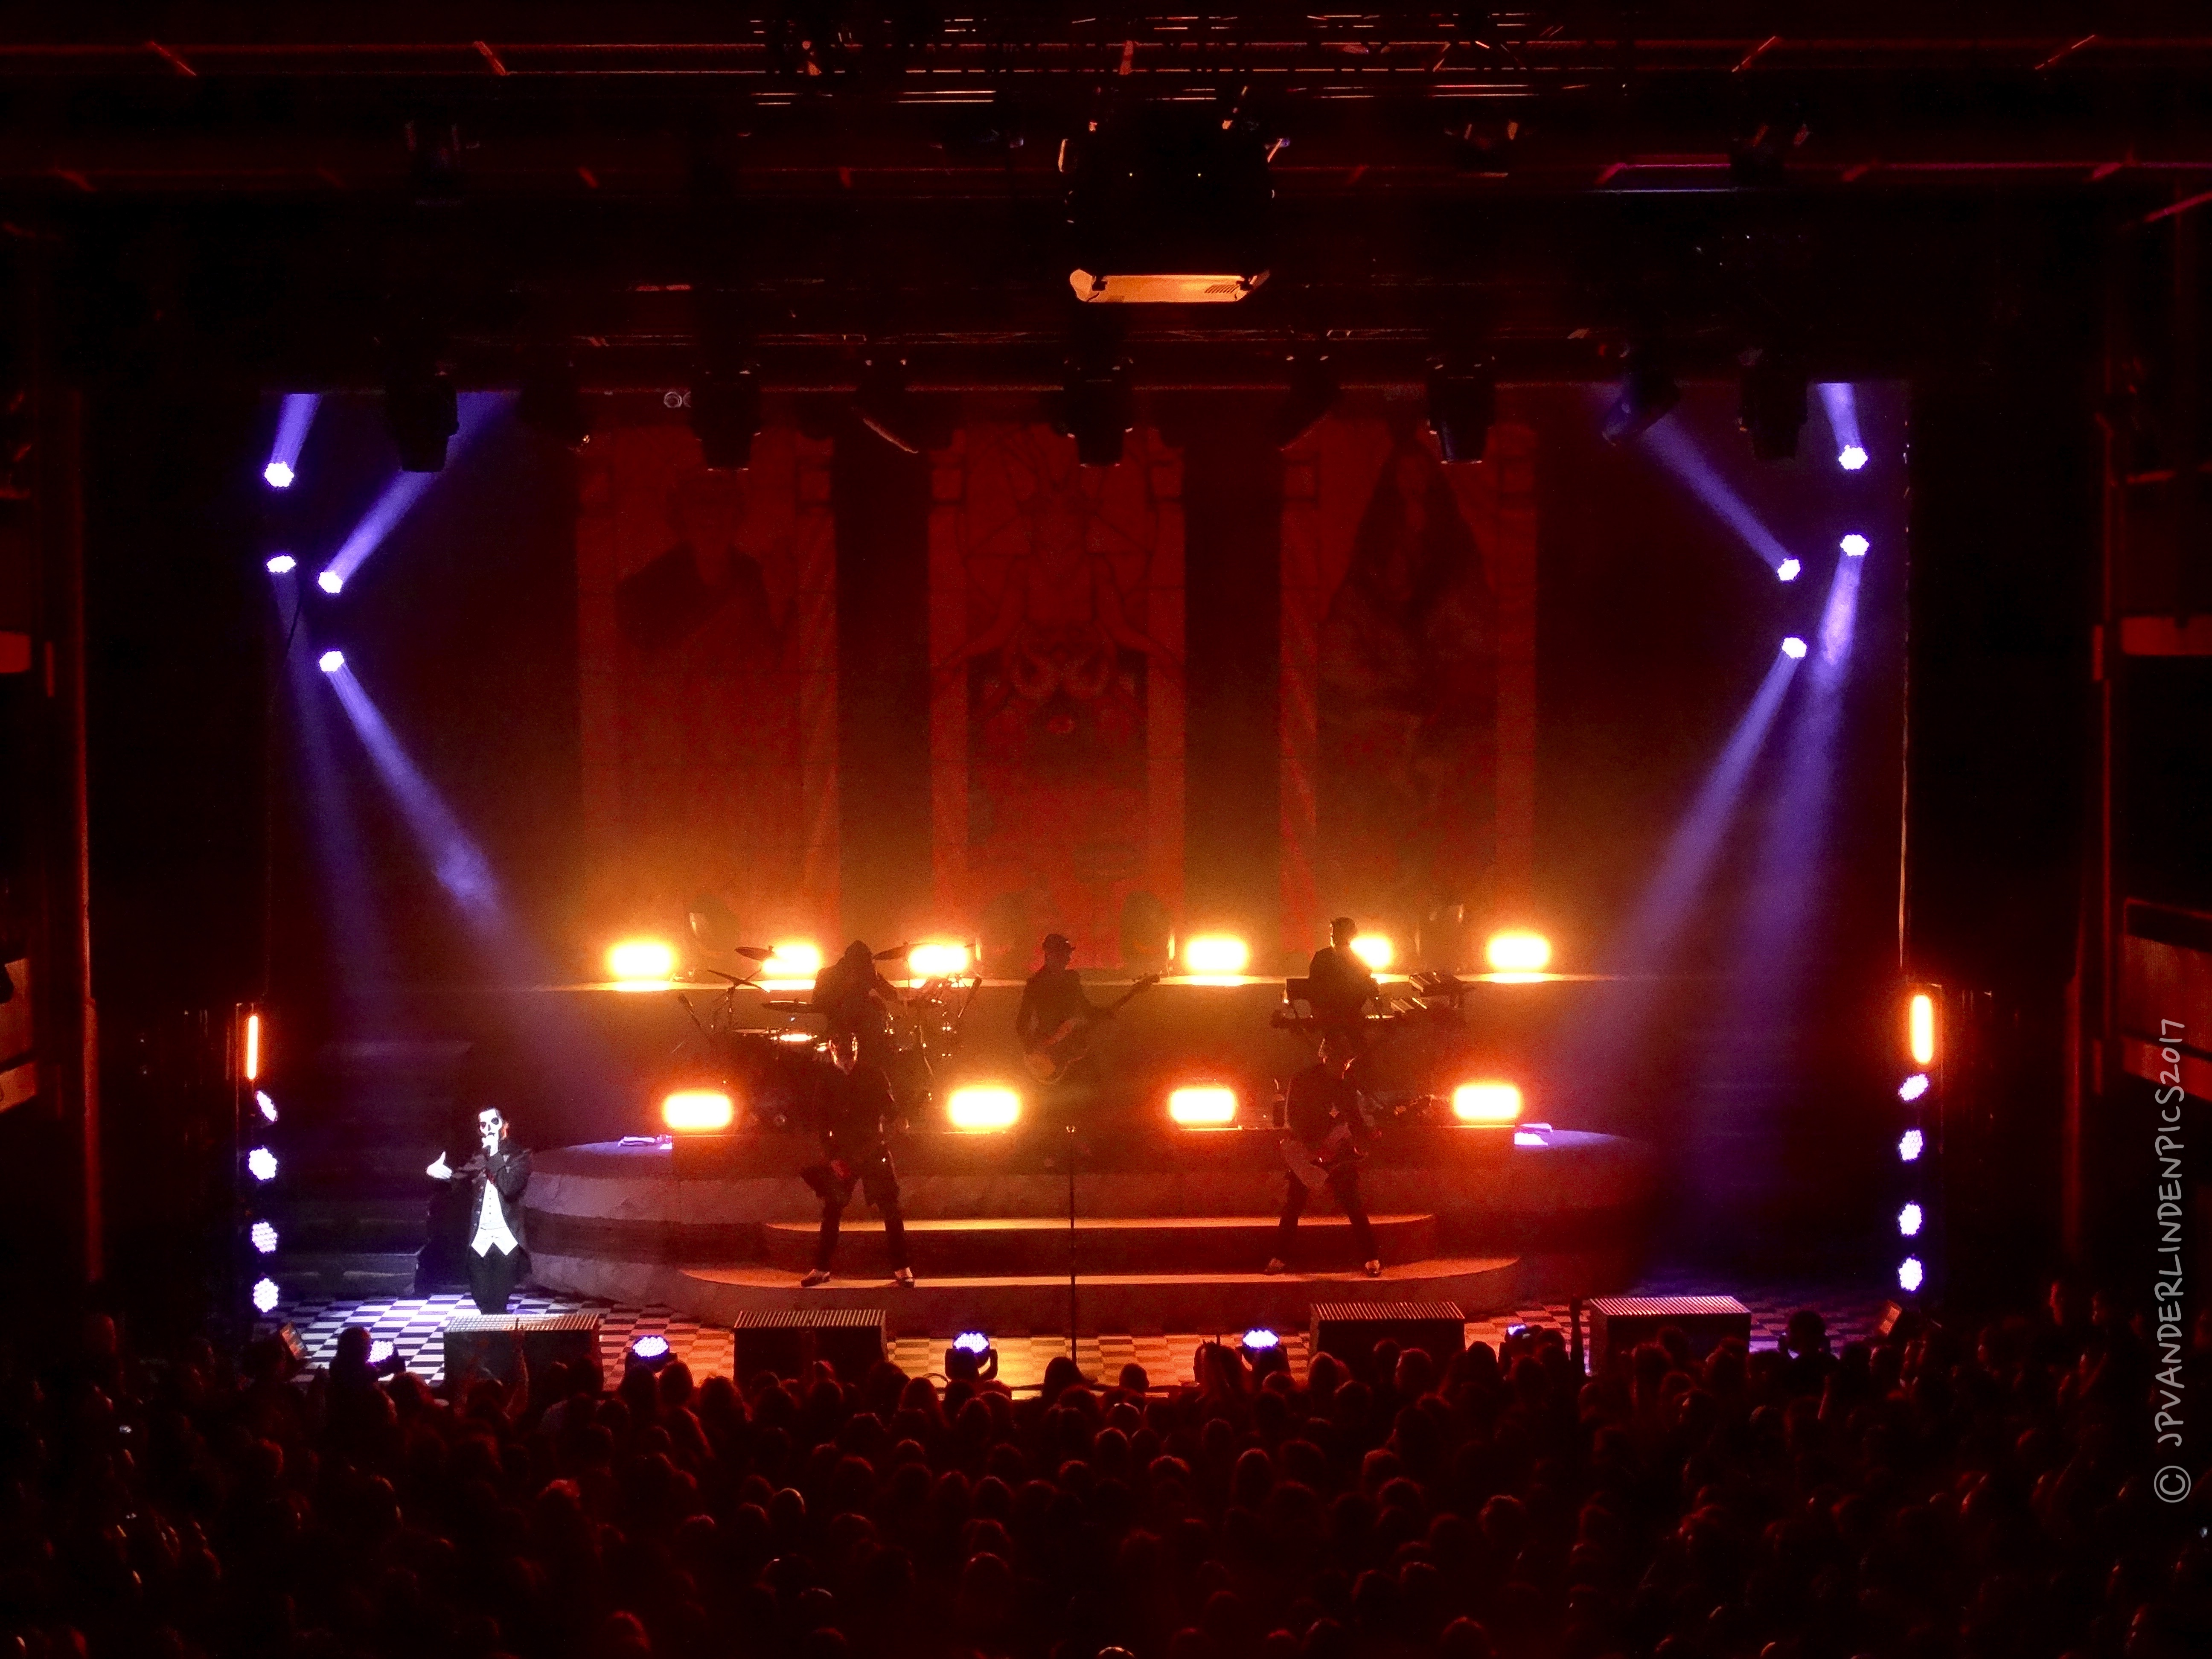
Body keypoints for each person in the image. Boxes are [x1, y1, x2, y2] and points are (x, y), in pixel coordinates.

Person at [799, 1030, 914, 1289]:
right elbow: (821, 1123)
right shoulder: (826, 1079)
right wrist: (833, 1158)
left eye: (851, 1052)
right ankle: (821, 1268)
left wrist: (899, 1118)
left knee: (890, 1208)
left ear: (857, 1049)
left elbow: (889, 1105)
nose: (847, 1058)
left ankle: (902, 1267)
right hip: (843, 1154)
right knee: (832, 1210)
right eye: (842, 1052)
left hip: (874, 1150)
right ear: (832, 1049)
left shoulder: (873, 1074)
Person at [1269, 1039, 1380, 1277]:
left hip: (1337, 1150)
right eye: (1340, 1063)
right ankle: (1280, 1256)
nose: (1344, 1068)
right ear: (1326, 1059)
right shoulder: (1302, 1081)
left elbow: (1354, 1116)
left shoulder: (1346, 1083)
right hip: (1307, 1149)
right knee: (1294, 1204)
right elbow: (1294, 1118)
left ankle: (1371, 1257)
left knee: (1353, 1203)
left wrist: (1366, 1136)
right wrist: (1316, 1147)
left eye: (1347, 1064)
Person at [427, 1106, 533, 1314]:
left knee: (498, 1303)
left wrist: (494, 1154)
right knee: (483, 1301)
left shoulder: (521, 1156)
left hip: (506, 1240)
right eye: (484, 1125)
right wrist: (437, 1175)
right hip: (480, 1240)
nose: (489, 1128)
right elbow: (458, 1182)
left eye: (494, 1122)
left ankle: (499, 1332)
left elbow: (509, 1187)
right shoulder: (478, 1157)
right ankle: (488, 1331)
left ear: (505, 1125)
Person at [1016, 932, 1109, 1094]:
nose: (1068, 959)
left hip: (1071, 1045)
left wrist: (1102, 1013)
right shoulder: (1036, 984)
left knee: (1091, 1086)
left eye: (1067, 954)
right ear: (1050, 954)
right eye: (1063, 954)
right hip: (1050, 1046)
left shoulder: (1071, 980)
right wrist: (1033, 1049)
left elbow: (1085, 1007)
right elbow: (1022, 1021)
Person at [811, 939, 901, 1067]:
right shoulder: (828, 975)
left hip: (864, 1027)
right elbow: (817, 1003)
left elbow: (891, 994)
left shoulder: (868, 973)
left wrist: (876, 979)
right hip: (836, 1025)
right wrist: (846, 986)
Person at [1305, 916, 1380, 1054]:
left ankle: (1335, 1057)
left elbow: (1313, 988)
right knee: (1358, 1047)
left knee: (1338, 1047)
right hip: (1348, 1014)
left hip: (1330, 1015)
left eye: (1335, 933)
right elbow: (1369, 986)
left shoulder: (1322, 957)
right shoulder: (1357, 960)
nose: (1332, 936)